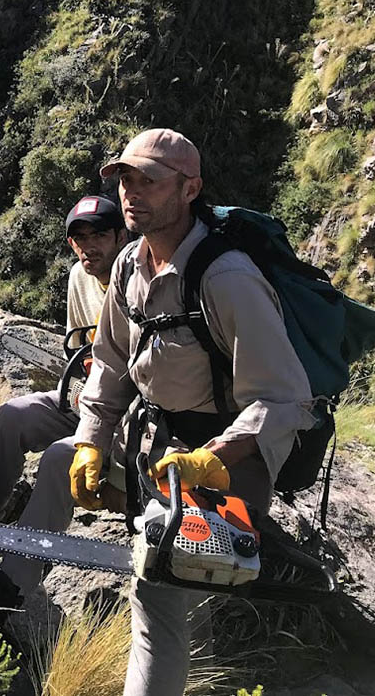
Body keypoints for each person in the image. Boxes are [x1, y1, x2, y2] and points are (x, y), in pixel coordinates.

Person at [70, 129, 314, 696]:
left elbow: (285, 397)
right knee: (168, 590)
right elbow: (111, 362)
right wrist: (90, 439)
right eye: (125, 179)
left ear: (190, 189)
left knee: (155, 600)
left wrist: (214, 458)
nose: (132, 192)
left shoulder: (227, 279)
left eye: (150, 181)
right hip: (156, 450)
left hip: (225, 460)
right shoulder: (129, 265)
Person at [0, 195, 127, 597]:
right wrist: (79, 390)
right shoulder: (79, 277)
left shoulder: (137, 282)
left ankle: (10, 587)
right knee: (14, 415)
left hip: (129, 416)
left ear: (120, 237)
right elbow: (80, 351)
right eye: (80, 238)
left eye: (99, 235)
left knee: (60, 458)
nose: (89, 246)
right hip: (89, 396)